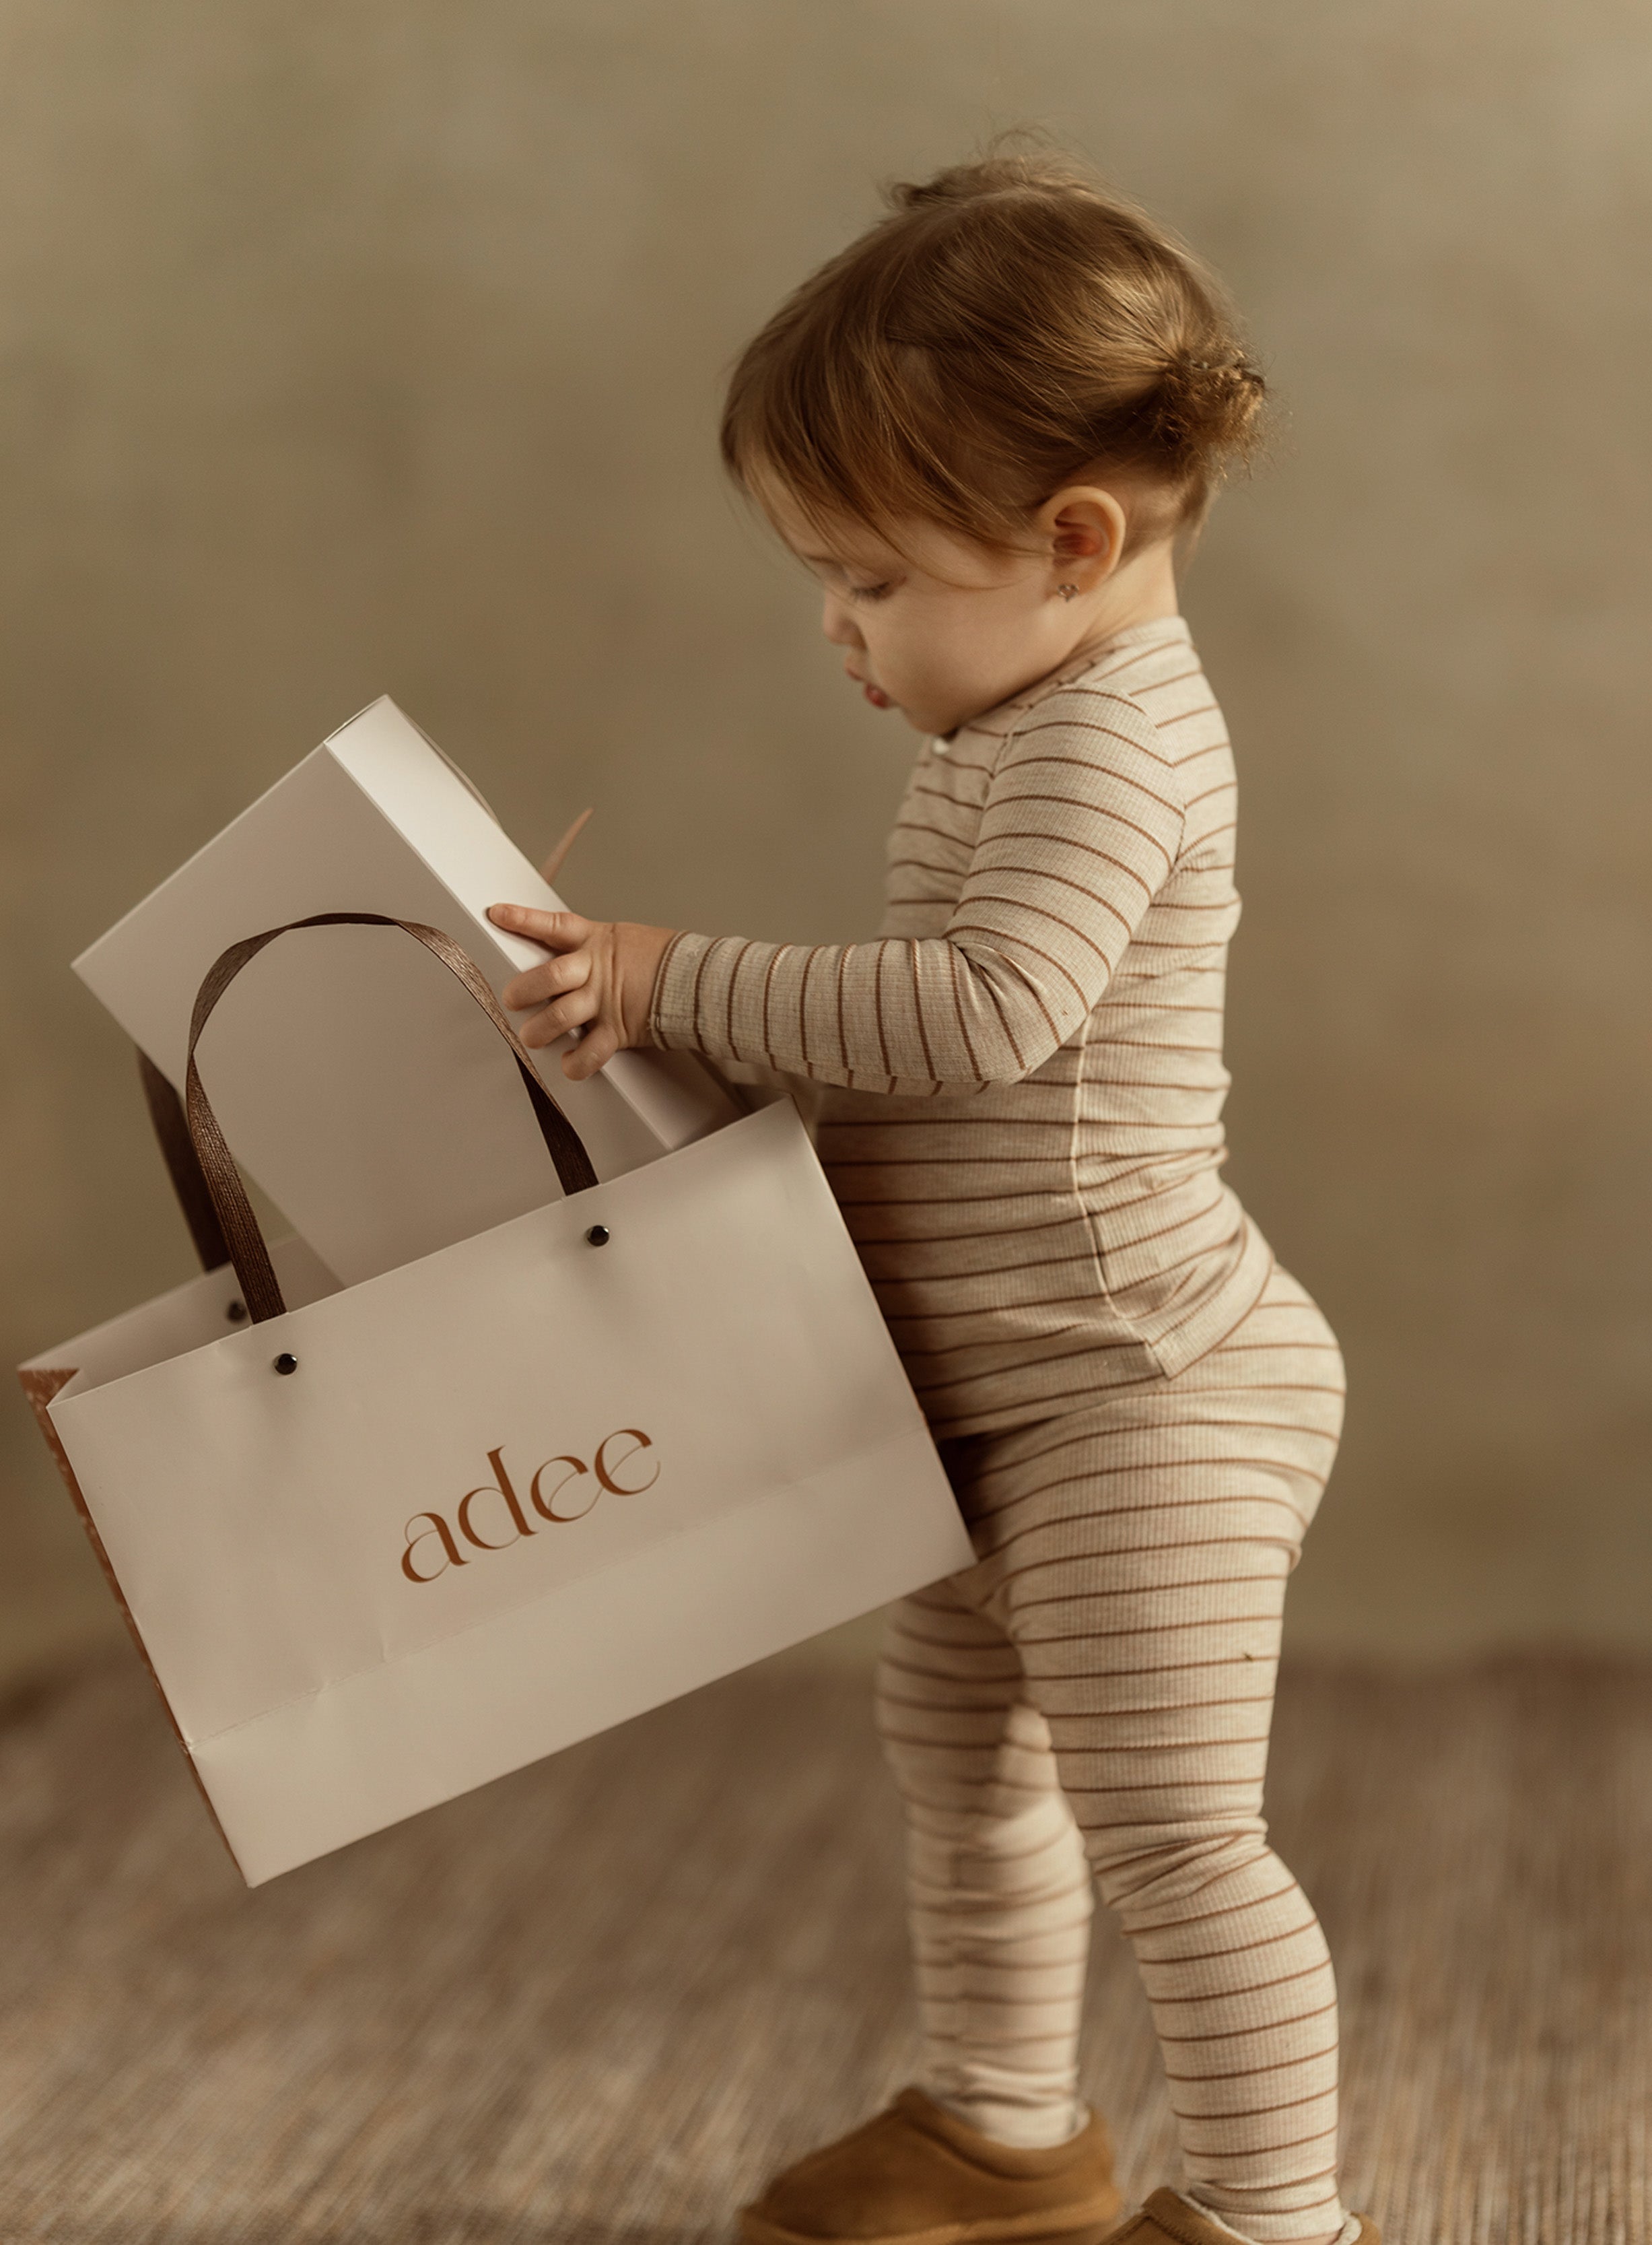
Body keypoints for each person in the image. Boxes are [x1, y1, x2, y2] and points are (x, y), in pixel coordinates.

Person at [489, 149, 1377, 2245]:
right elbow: (937, 1069)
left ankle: (1272, 2217)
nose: (836, 623)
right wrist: (678, 1069)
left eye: (870, 579)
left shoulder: (1113, 744)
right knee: (965, 1773)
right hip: (990, 1393)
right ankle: (1001, 2133)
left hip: (1139, 1392)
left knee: (1174, 1835)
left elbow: (985, 1016)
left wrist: (668, 980)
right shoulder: (1016, 724)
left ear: (1070, 543)